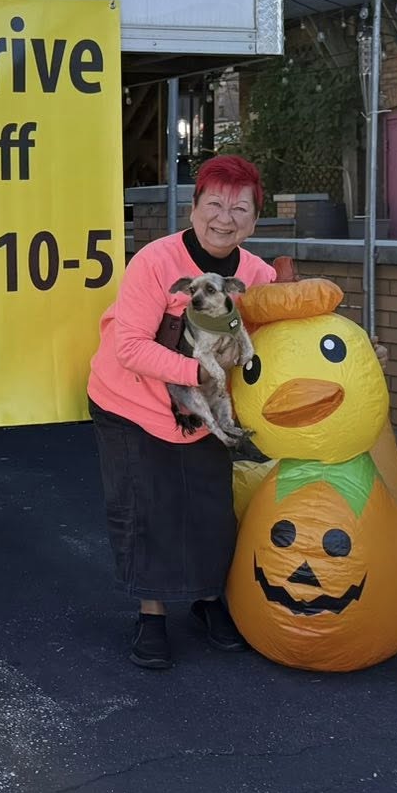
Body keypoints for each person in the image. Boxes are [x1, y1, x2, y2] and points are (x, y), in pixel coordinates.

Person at [88, 155, 276, 669]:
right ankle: (151, 614)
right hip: (129, 398)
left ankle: (208, 601)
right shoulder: (155, 261)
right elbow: (128, 345)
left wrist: (358, 350)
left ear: (254, 221)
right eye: (214, 203)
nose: (225, 217)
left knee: (208, 508)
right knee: (146, 508)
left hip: (203, 409)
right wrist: (204, 375)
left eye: (240, 208)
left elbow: (282, 338)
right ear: (193, 209)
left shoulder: (257, 276)